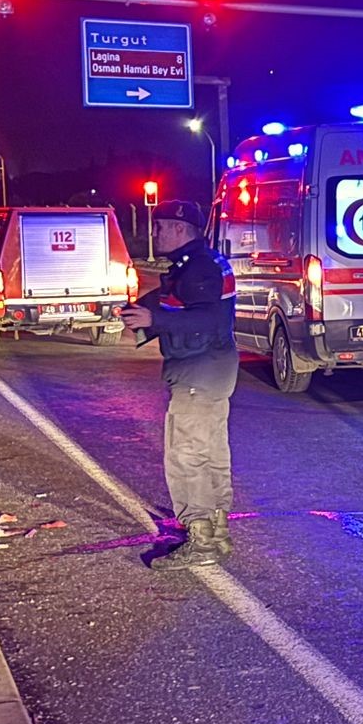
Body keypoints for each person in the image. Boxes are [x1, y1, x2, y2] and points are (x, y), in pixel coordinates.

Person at [119, 201, 238, 566]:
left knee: (185, 456)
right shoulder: (202, 263)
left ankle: (199, 536)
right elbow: (177, 302)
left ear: (180, 229)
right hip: (216, 367)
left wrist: (154, 317)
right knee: (211, 450)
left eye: (161, 227)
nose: (155, 234)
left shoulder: (199, 268)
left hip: (197, 369)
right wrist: (145, 314)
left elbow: (204, 318)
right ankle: (216, 528)